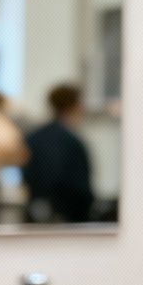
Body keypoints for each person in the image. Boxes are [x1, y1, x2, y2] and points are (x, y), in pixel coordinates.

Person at [24, 83, 94, 224]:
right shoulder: (72, 142)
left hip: (36, 216)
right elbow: (81, 189)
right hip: (70, 220)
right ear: (75, 106)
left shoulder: (33, 138)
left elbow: (27, 176)